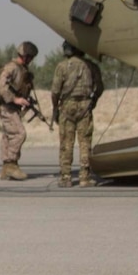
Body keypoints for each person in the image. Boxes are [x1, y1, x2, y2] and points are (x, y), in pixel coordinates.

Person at [50, 42, 104, 187]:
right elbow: (99, 87)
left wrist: (55, 107)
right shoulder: (91, 66)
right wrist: (93, 101)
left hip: (67, 107)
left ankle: (66, 177)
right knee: (85, 142)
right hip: (85, 107)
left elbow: (55, 91)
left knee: (66, 143)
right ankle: (84, 177)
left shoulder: (62, 67)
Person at [0, 41, 39, 180]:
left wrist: (23, 100)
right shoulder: (12, 67)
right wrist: (15, 99)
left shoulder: (21, 69)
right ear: (24, 55)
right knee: (19, 133)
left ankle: (6, 168)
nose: (31, 60)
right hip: (6, 107)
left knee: (8, 135)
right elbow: (0, 85)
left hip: (10, 107)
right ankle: (11, 165)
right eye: (30, 57)